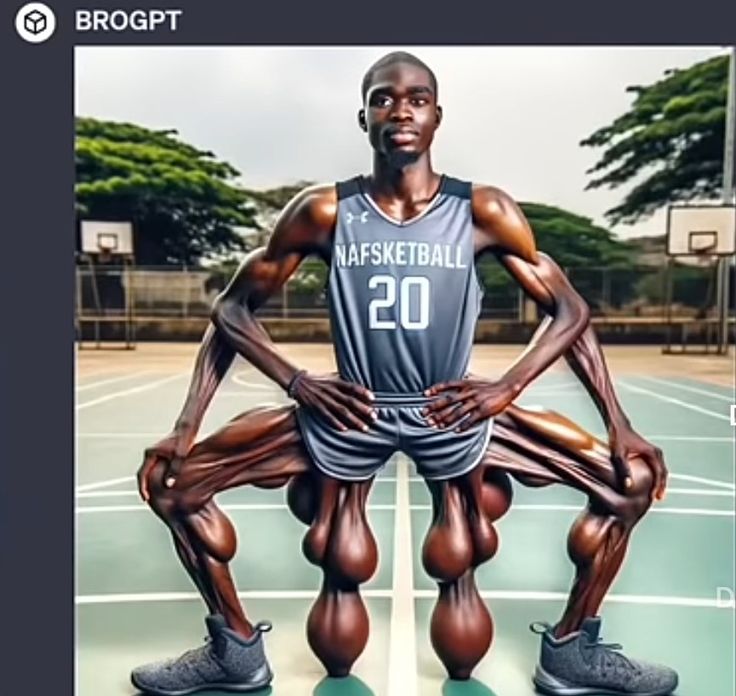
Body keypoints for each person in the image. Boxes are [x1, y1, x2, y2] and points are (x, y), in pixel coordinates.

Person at [131, 51, 678, 696]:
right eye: (384, 98)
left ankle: (571, 650)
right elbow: (231, 309)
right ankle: (234, 650)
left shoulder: (482, 209)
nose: (400, 110)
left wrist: (559, 404)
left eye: (416, 98)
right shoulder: (324, 211)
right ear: (363, 115)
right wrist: (283, 388)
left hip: (450, 410)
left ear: (437, 115)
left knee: (630, 479)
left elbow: (570, 310)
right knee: (173, 483)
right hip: (350, 410)